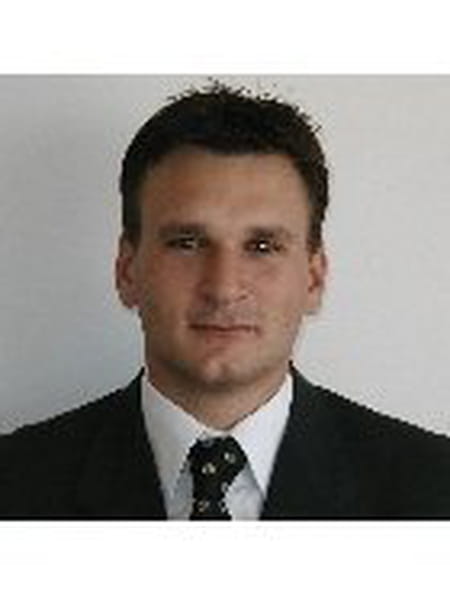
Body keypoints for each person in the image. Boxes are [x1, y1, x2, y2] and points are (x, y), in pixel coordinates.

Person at [2, 82, 450, 519]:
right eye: (187, 243)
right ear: (127, 270)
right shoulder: (16, 484)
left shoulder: (432, 489)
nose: (223, 287)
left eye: (262, 247)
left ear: (314, 278)